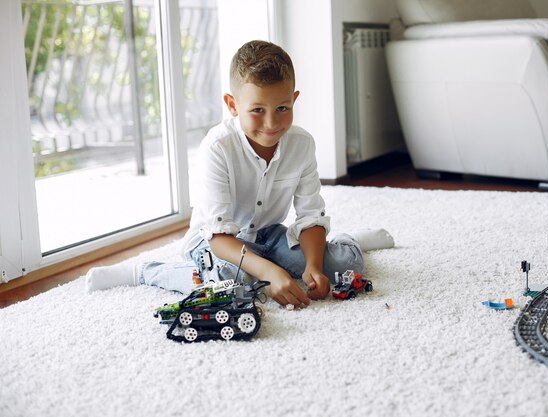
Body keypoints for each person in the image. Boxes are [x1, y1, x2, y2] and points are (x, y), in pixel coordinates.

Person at [85, 40, 394, 307]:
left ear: (294, 99)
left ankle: (343, 242)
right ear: (233, 105)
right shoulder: (217, 147)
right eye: (257, 110)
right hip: (214, 241)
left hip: (269, 235)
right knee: (229, 284)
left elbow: (310, 216)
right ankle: (144, 273)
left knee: (343, 265)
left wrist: (314, 266)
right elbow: (220, 239)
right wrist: (273, 273)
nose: (271, 123)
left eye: (282, 109)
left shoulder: (302, 144)